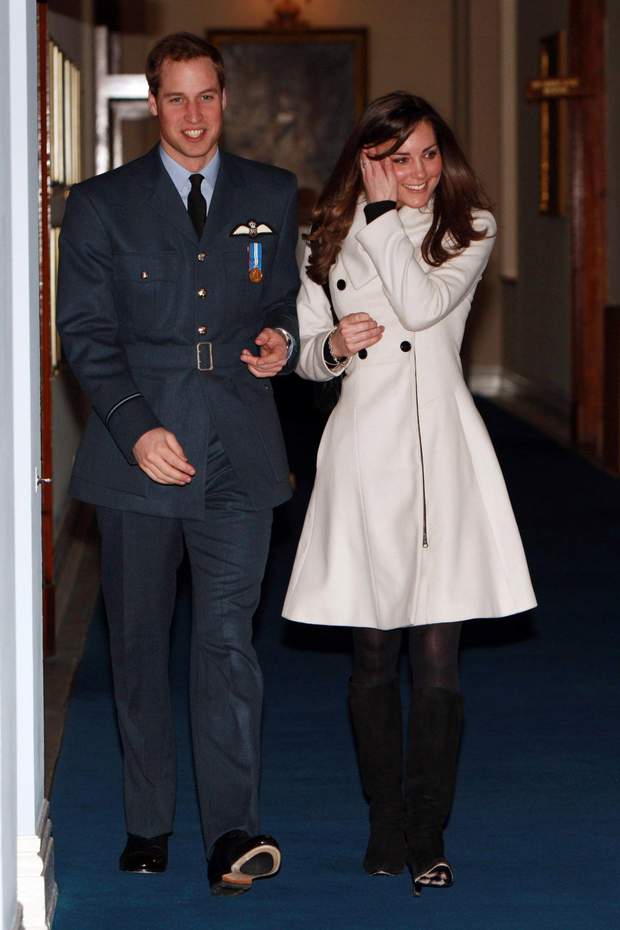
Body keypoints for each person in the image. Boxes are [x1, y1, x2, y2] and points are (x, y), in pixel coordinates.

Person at [57, 33, 299, 897]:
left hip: (240, 443)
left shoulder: (272, 193)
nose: (193, 116)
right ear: (152, 104)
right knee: (138, 642)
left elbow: (281, 296)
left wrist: (282, 338)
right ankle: (148, 819)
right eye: (176, 98)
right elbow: (85, 334)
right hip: (141, 453)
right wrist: (134, 429)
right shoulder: (102, 204)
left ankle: (233, 831)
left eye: (207, 97)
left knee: (228, 639)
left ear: (224, 99)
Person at [282, 92, 536, 896]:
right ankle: (384, 821)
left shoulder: (470, 228)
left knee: (436, 656)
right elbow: (305, 355)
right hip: (364, 452)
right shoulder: (324, 237)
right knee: (370, 652)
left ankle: (428, 832)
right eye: (399, 158)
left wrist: (382, 213)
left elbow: (422, 308)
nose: (420, 171)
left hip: (439, 458)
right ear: (368, 161)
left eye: (429, 153)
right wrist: (330, 343)